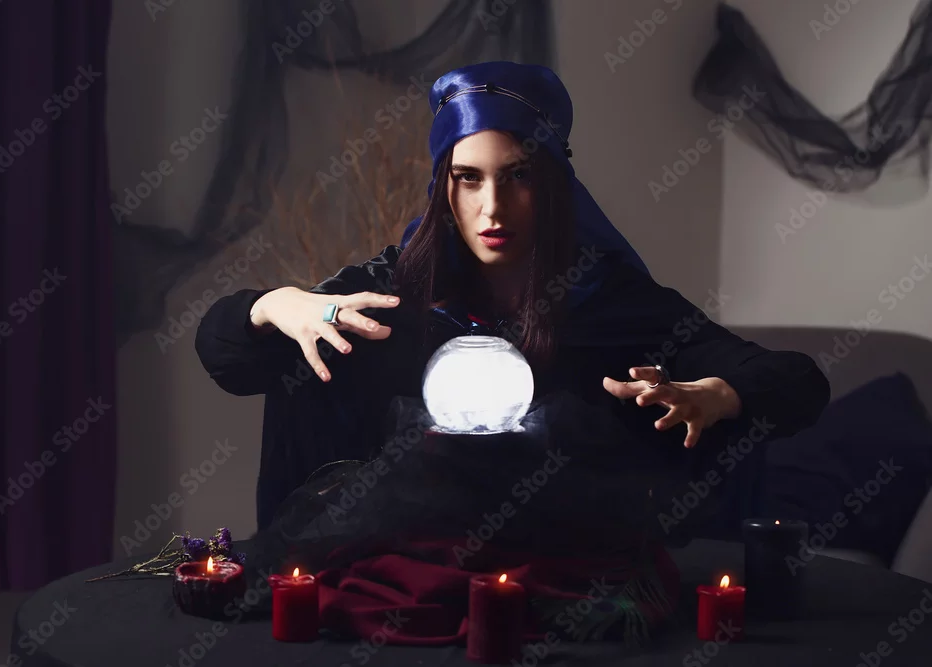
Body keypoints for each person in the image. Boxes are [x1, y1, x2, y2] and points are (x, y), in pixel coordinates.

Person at [195, 61, 831, 537]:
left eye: (518, 176)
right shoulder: (388, 294)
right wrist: (275, 304)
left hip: (562, 596)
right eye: (468, 178)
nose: (492, 207)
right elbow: (228, 358)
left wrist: (716, 394)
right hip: (393, 586)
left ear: (553, 185)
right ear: (443, 188)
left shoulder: (613, 300)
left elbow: (797, 382)